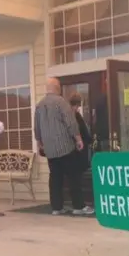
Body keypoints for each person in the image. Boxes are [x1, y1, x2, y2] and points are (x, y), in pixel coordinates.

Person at [34, 78, 95, 216]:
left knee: (55, 177)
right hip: (65, 146)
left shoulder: (39, 106)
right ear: (57, 87)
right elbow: (71, 123)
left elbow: (36, 128)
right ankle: (78, 206)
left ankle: (57, 207)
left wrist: (40, 144)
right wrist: (78, 139)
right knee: (74, 176)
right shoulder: (61, 102)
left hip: (50, 149)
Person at [68, 93, 92, 174]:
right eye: (77, 106)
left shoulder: (77, 115)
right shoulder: (70, 116)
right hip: (75, 150)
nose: (77, 108)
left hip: (80, 149)